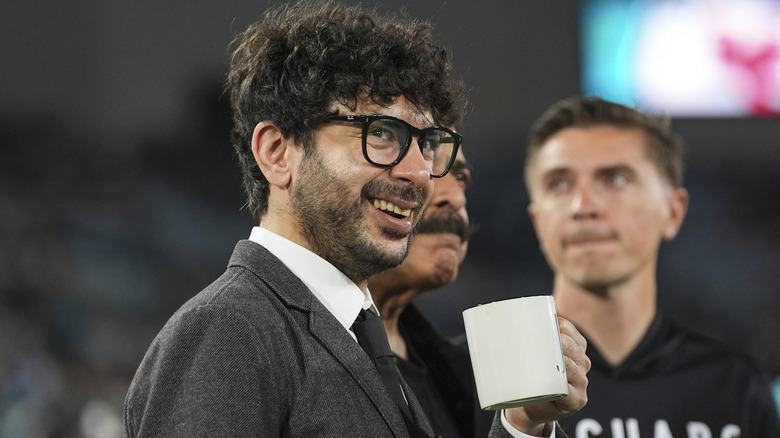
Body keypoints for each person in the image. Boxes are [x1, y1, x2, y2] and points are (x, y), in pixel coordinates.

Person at [123, 1, 589, 437]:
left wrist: (524, 426)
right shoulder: (226, 333)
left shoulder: (364, 332)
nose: (418, 173)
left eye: (427, 145)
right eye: (382, 133)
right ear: (277, 152)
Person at [524, 95, 780, 438]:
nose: (582, 205)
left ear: (673, 211)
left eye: (614, 179)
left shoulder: (736, 388)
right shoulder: (476, 375)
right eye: (559, 183)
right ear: (537, 221)